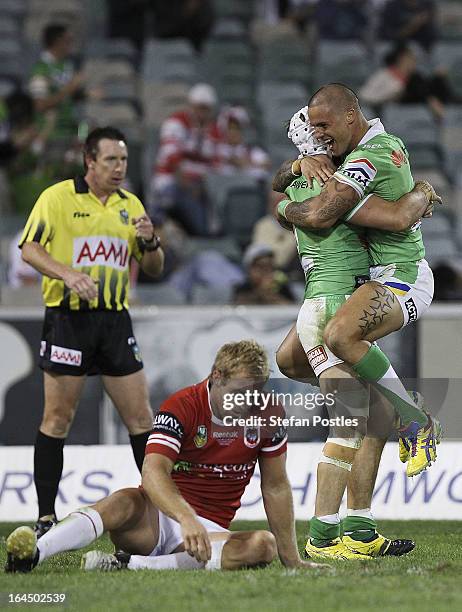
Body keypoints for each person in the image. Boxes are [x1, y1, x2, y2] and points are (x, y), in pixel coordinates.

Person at [273, 94, 441, 559]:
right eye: (315, 132)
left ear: (350, 116)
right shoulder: (327, 173)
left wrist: (288, 195)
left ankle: (413, 417)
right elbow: (391, 213)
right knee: (309, 372)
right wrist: (421, 194)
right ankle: (358, 529)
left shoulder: (366, 157)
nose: (323, 136)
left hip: (395, 278)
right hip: (342, 294)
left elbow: (394, 217)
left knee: (348, 380)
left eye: (326, 127)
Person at [5, 340, 324, 573]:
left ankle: (131, 566)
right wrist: (184, 517)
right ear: (216, 376)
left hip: (208, 531)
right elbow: (153, 472)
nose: (245, 402)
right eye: (238, 393)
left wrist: (291, 558)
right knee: (122, 500)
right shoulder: (182, 405)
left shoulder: (267, 413)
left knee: (261, 545)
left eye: (253, 392)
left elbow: (276, 486)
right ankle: (35, 552)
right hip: (157, 519)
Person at [18, 126, 165, 538]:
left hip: (115, 322)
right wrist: (67, 275)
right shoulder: (58, 198)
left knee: (141, 418)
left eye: (123, 161)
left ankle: (159, 509)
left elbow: (154, 268)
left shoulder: (130, 204)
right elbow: (30, 248)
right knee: (58, 418)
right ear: (90, 162)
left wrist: (151, 242)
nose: (120, 168)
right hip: (68, 319)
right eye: (111, 161)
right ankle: (46, 516)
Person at [149, 83, 221, 236]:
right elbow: (172, 159)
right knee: (180, 198)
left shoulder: (213, 128)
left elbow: (215, 161)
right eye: (199, 108)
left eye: (206, 109)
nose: (202, 113)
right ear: (191, 106)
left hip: (200, 184)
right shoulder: (175, 122)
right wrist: (189, 185)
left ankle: (210, 233)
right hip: (171, 180)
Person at [360, 43, 459, 121]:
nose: (414, 61)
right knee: (417, 80)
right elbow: (364, 95)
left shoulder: (415, 77)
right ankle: (435, 103)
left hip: (417, 101)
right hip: (395, 107)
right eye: (411, 58)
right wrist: (391, 95)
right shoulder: (384, 75)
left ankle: (449, 105)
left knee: (437, 79)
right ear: (400, 59)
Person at [214, 107, 270, 180]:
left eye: (237, 129)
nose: (233, 132)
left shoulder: (250, 150)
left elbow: (266, 163)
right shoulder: (217, 149)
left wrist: (246, 163)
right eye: (230, 129)